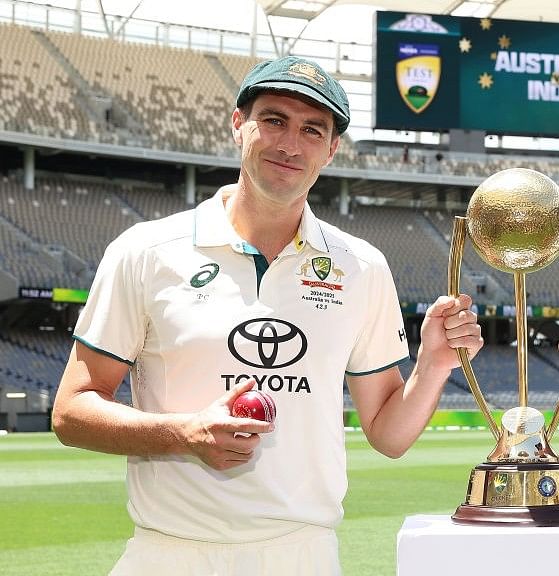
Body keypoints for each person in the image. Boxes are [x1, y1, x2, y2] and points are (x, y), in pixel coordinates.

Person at [52, 55, 483, 576]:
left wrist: (433, 365)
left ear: (331, 149)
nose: (289, 144)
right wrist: (184, 433)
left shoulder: (360, 266)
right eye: (274, 119)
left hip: (301, 553)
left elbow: (389, 436)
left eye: (311, 129)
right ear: (239, 123)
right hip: (170, 552)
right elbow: (71, 411)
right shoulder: (146, 251)